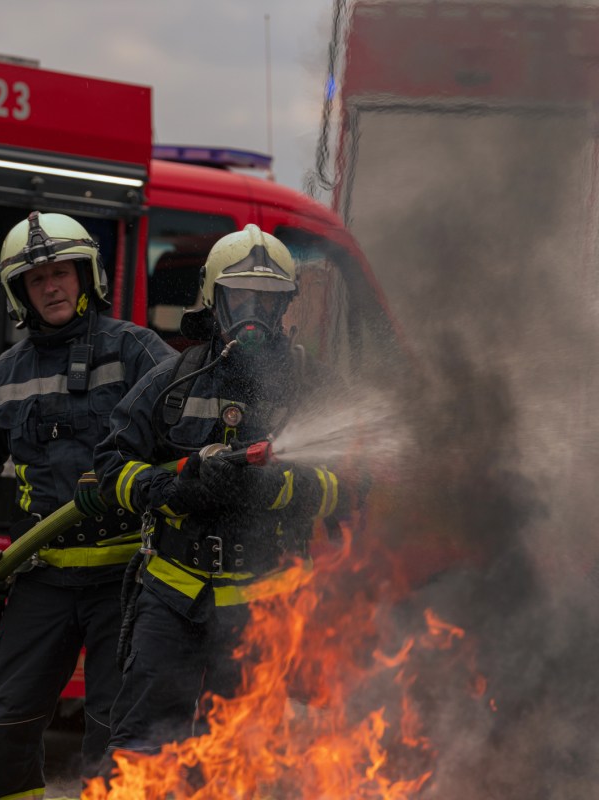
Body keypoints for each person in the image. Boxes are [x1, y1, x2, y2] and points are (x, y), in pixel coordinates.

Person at [95, 223, 355, 760]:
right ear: (216, 301)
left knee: (241, 759)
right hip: (169, 596)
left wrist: (277, 489)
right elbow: (111, 468)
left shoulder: (318, 389)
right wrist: (172, 486)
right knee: (141, 750)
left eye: (268, 298)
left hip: (265, 605)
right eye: (241, 296)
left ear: (287, 305)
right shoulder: (172, 381)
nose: (254, 311)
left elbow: (353, 486)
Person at [0, 211, 175, 798]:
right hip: (40, 576)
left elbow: (183, 443)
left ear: (85, 275)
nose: (51, 287)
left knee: (113, 736)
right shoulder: (2, 378)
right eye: (36, 279)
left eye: (61, 273)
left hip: (125, 581)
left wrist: (123, 475)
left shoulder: (138, 352)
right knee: (5, 730)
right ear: (20, 293)